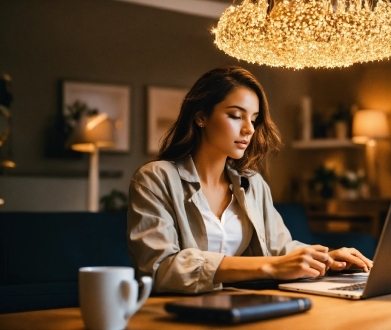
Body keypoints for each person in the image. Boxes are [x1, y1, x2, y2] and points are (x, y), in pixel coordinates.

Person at [127, 66, 373, 294]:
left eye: (254, 119)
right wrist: (270, 267)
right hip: (177, 315)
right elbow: (160, 268)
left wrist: (327, 258)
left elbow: (280, 249)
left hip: (242, 304)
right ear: (201, 117)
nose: (249, 129)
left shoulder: (253, 184)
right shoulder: (155, 179)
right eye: (236, 116)